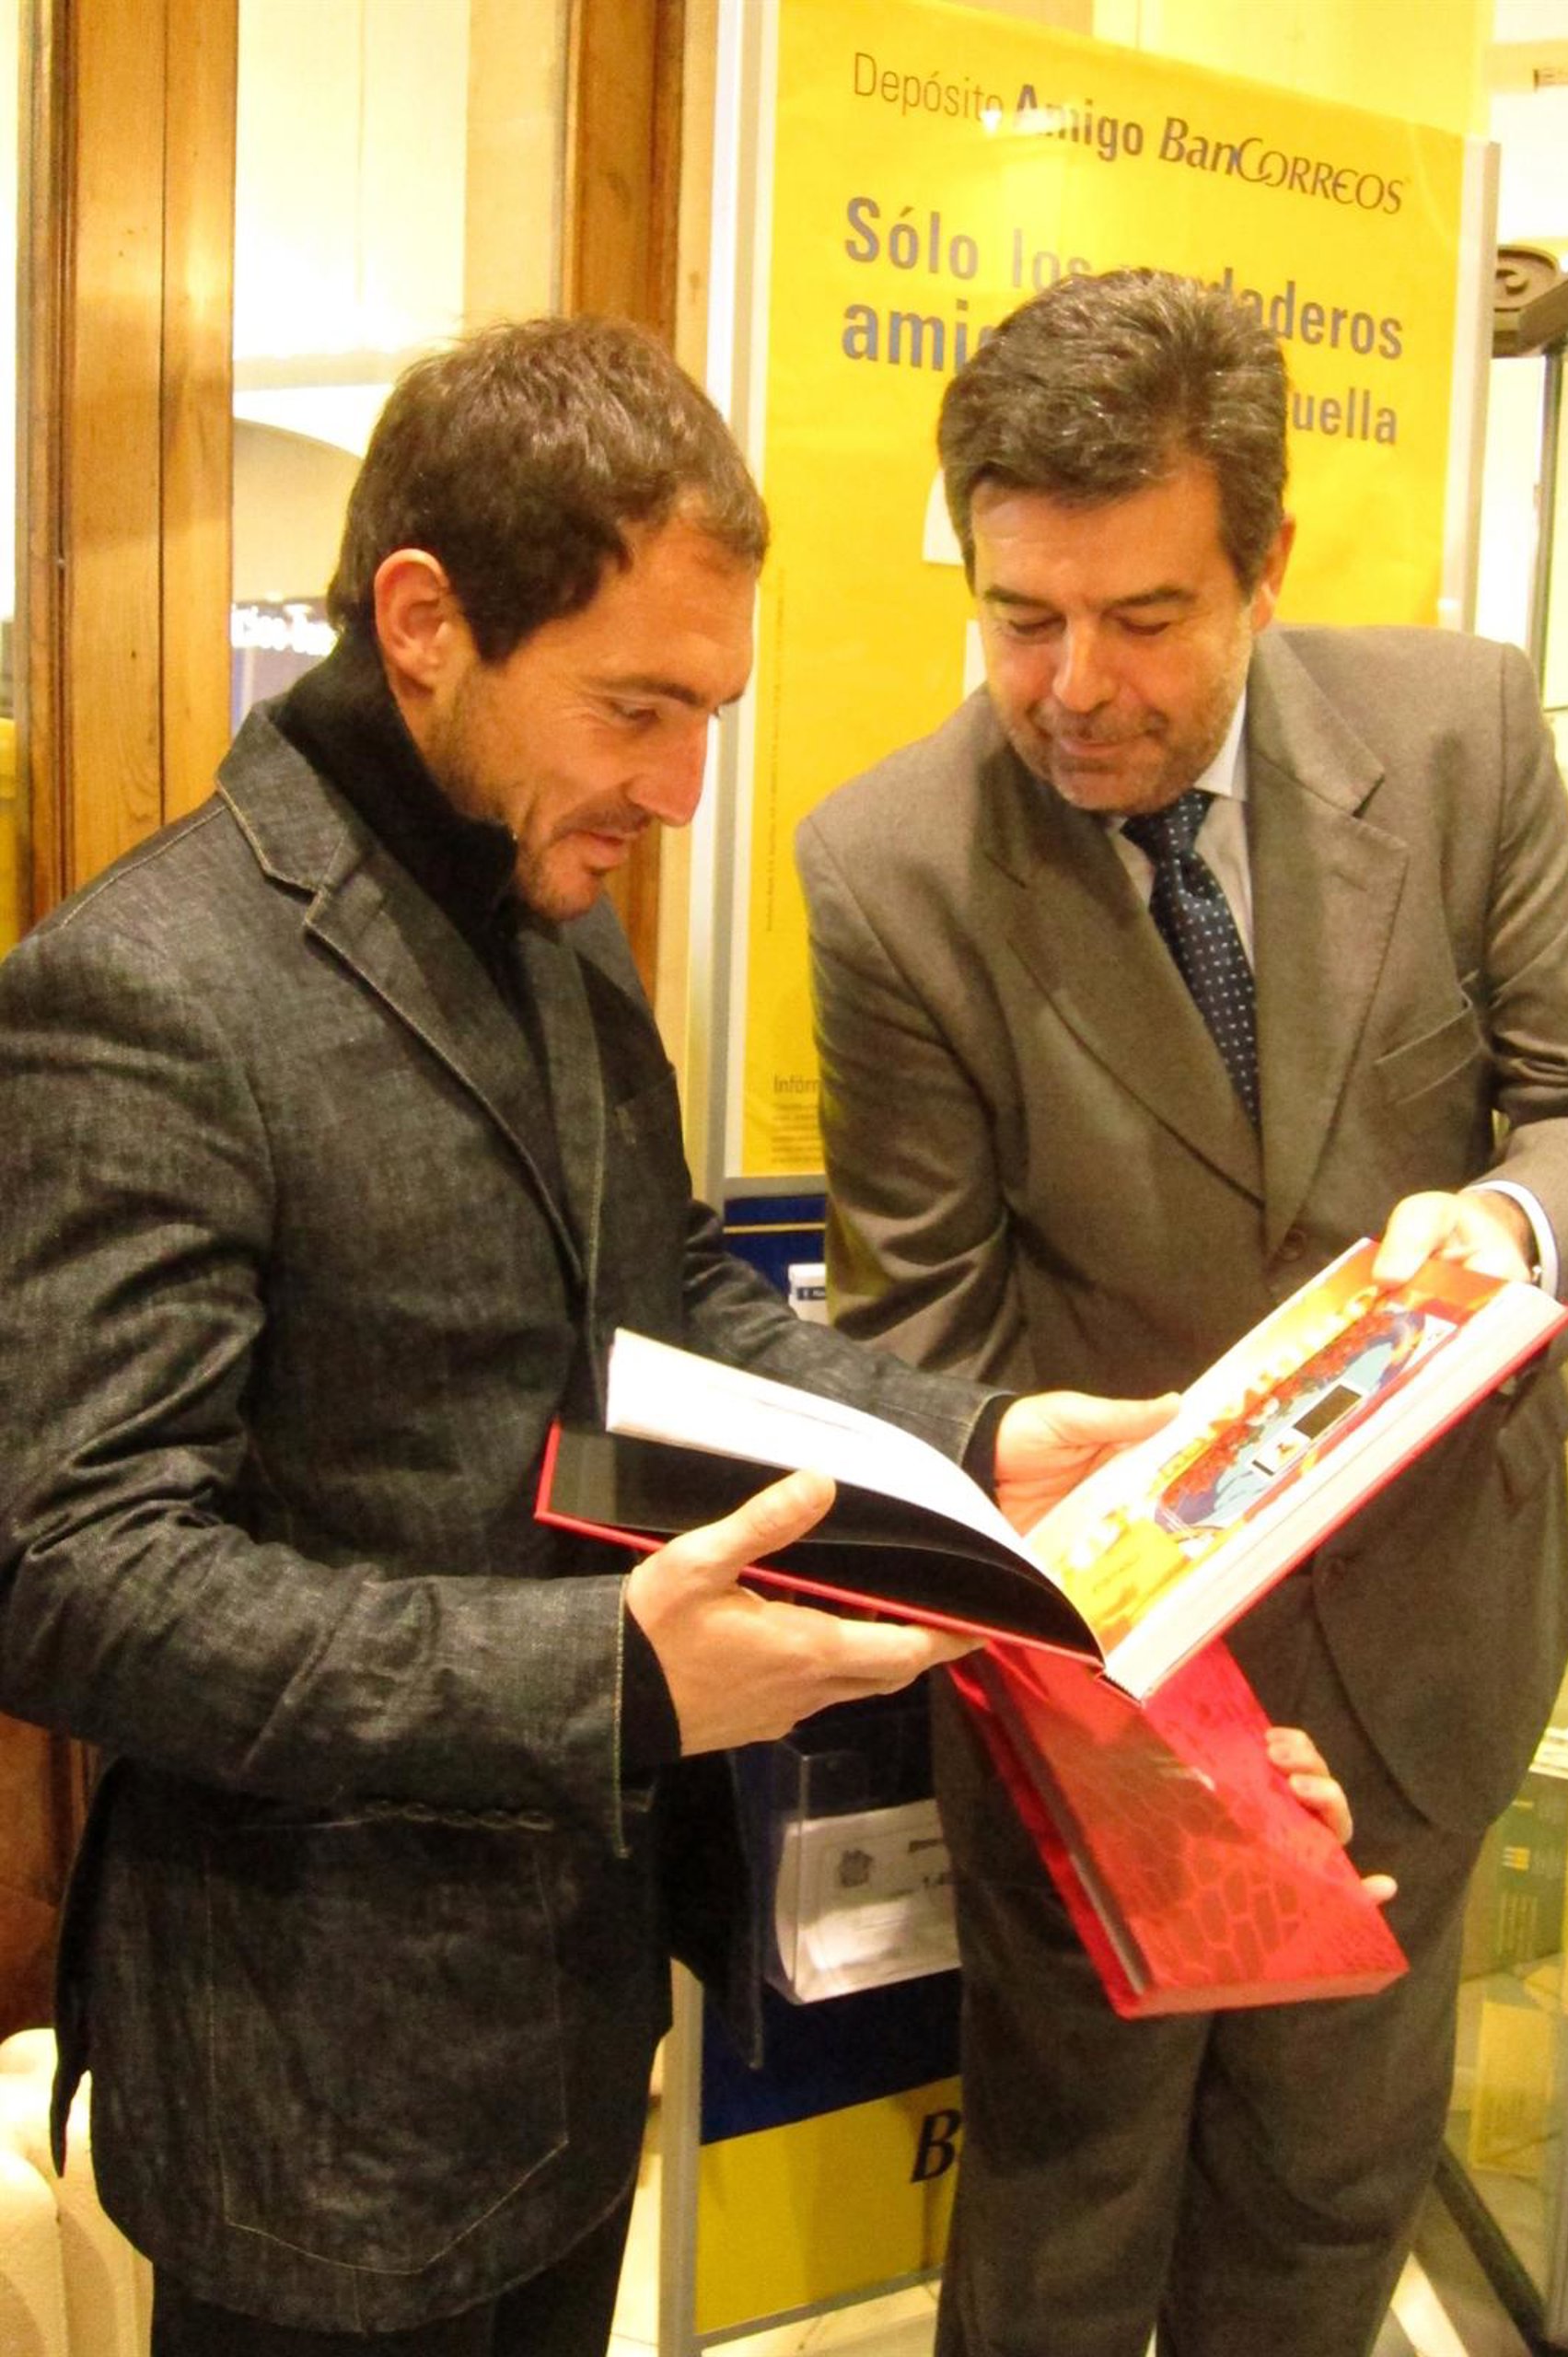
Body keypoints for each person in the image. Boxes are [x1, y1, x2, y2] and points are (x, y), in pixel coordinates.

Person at [0, 315, 1225, 2355]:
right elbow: (67, 1571)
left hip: (575, 2024)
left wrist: (980, 1441)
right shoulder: (147, 988)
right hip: (314, 2085)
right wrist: (602, 1677)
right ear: (424, 622)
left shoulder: (555, 922)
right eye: (635, 707)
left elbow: (678, 1302)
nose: (679, 788)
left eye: (709, 713)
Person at [794, 270, 1568, 2357]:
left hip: (1423, 1654)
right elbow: (932, 1356)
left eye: (1144, 617)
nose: (1072, 688)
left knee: (1325, 2203)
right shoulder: (893, 869)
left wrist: (1508, 1236)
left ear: (1267, 565)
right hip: (1101, 1682)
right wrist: (1155, 1727)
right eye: (1020, 618)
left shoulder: (1459, 738)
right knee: (1065, 2206)